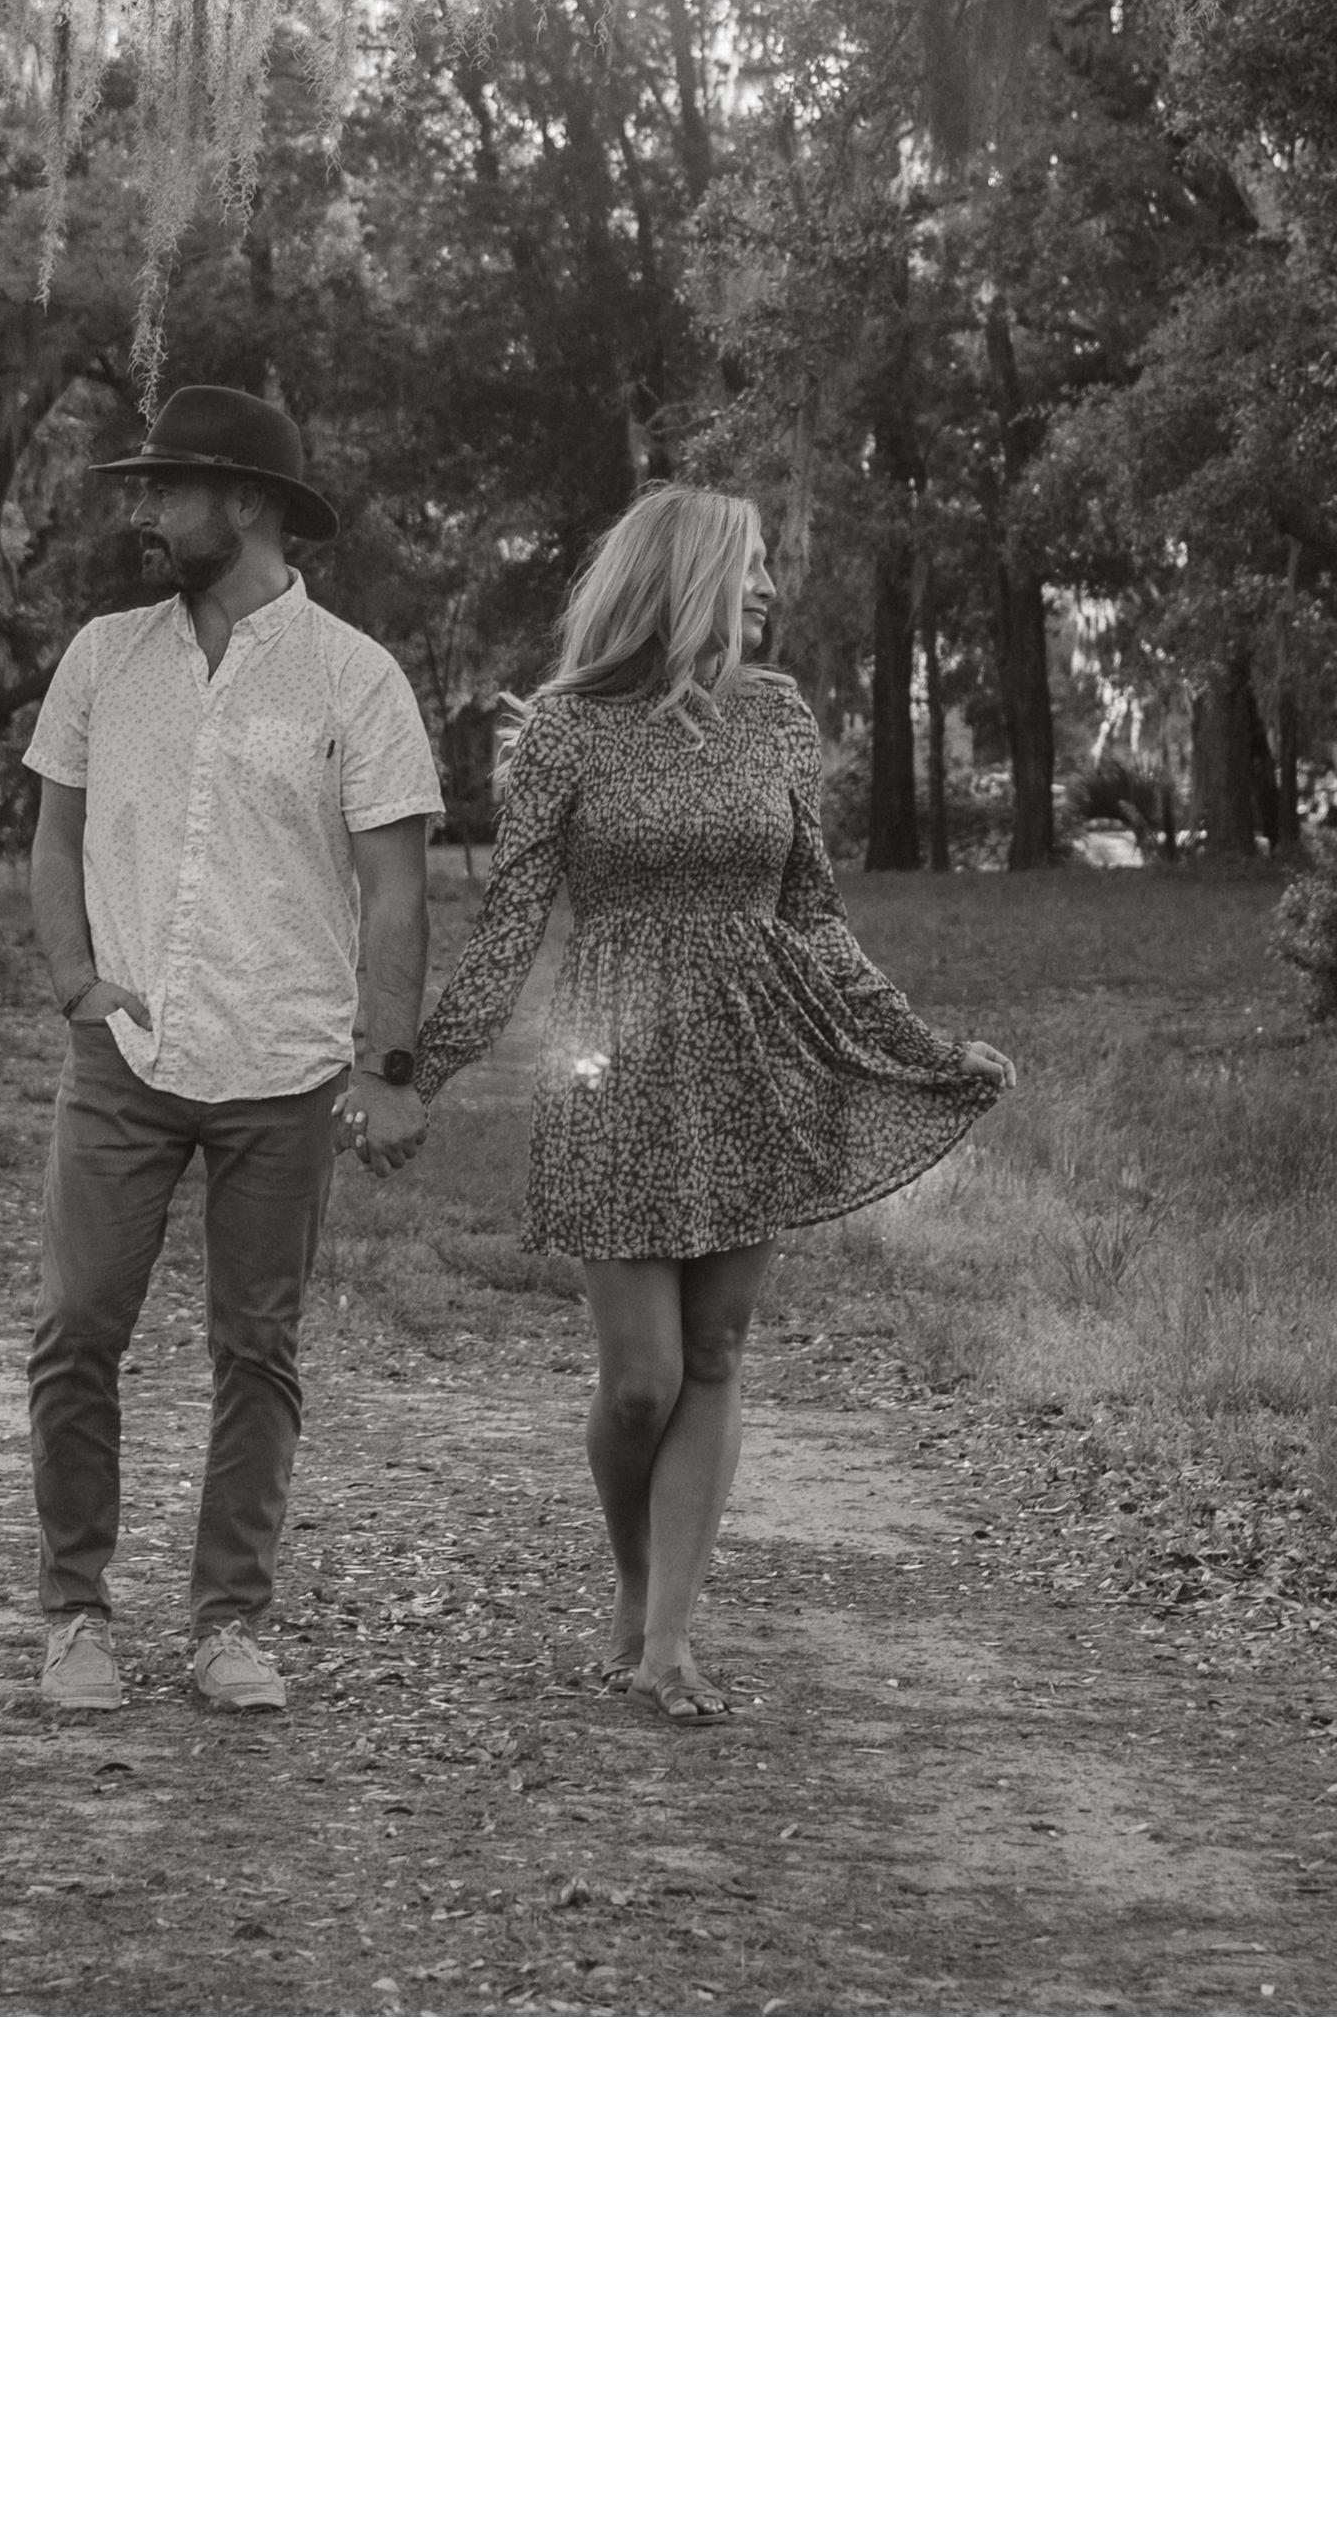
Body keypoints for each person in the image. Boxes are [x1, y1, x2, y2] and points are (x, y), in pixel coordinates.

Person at [410, 482, 1007, 1721]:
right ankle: (634, 1586)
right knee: (640, 1379)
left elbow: (815, 919)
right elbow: (512, 921)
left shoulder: (780, 718)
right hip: (613, 1064)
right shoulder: (571, 729)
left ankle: (671, 1638)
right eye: (747, 569)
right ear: (682, 575)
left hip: (751, 1057)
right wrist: (415, 1066)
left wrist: (922, 1045)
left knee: (719, 1354)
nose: (768, 591)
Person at [18, 383, 441, 1718]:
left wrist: (386, 1065)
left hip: (284, 1062)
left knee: (256, 1350)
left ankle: (226, 1623)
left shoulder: (355, 680)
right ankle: (76, 1614)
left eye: (170, 487)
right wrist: (78, 981)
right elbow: (54, 835)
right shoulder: (102, 657)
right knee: (79, 1328)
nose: (146, 509)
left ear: (245, 504)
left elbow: (397, 890)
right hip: (126, 1059)